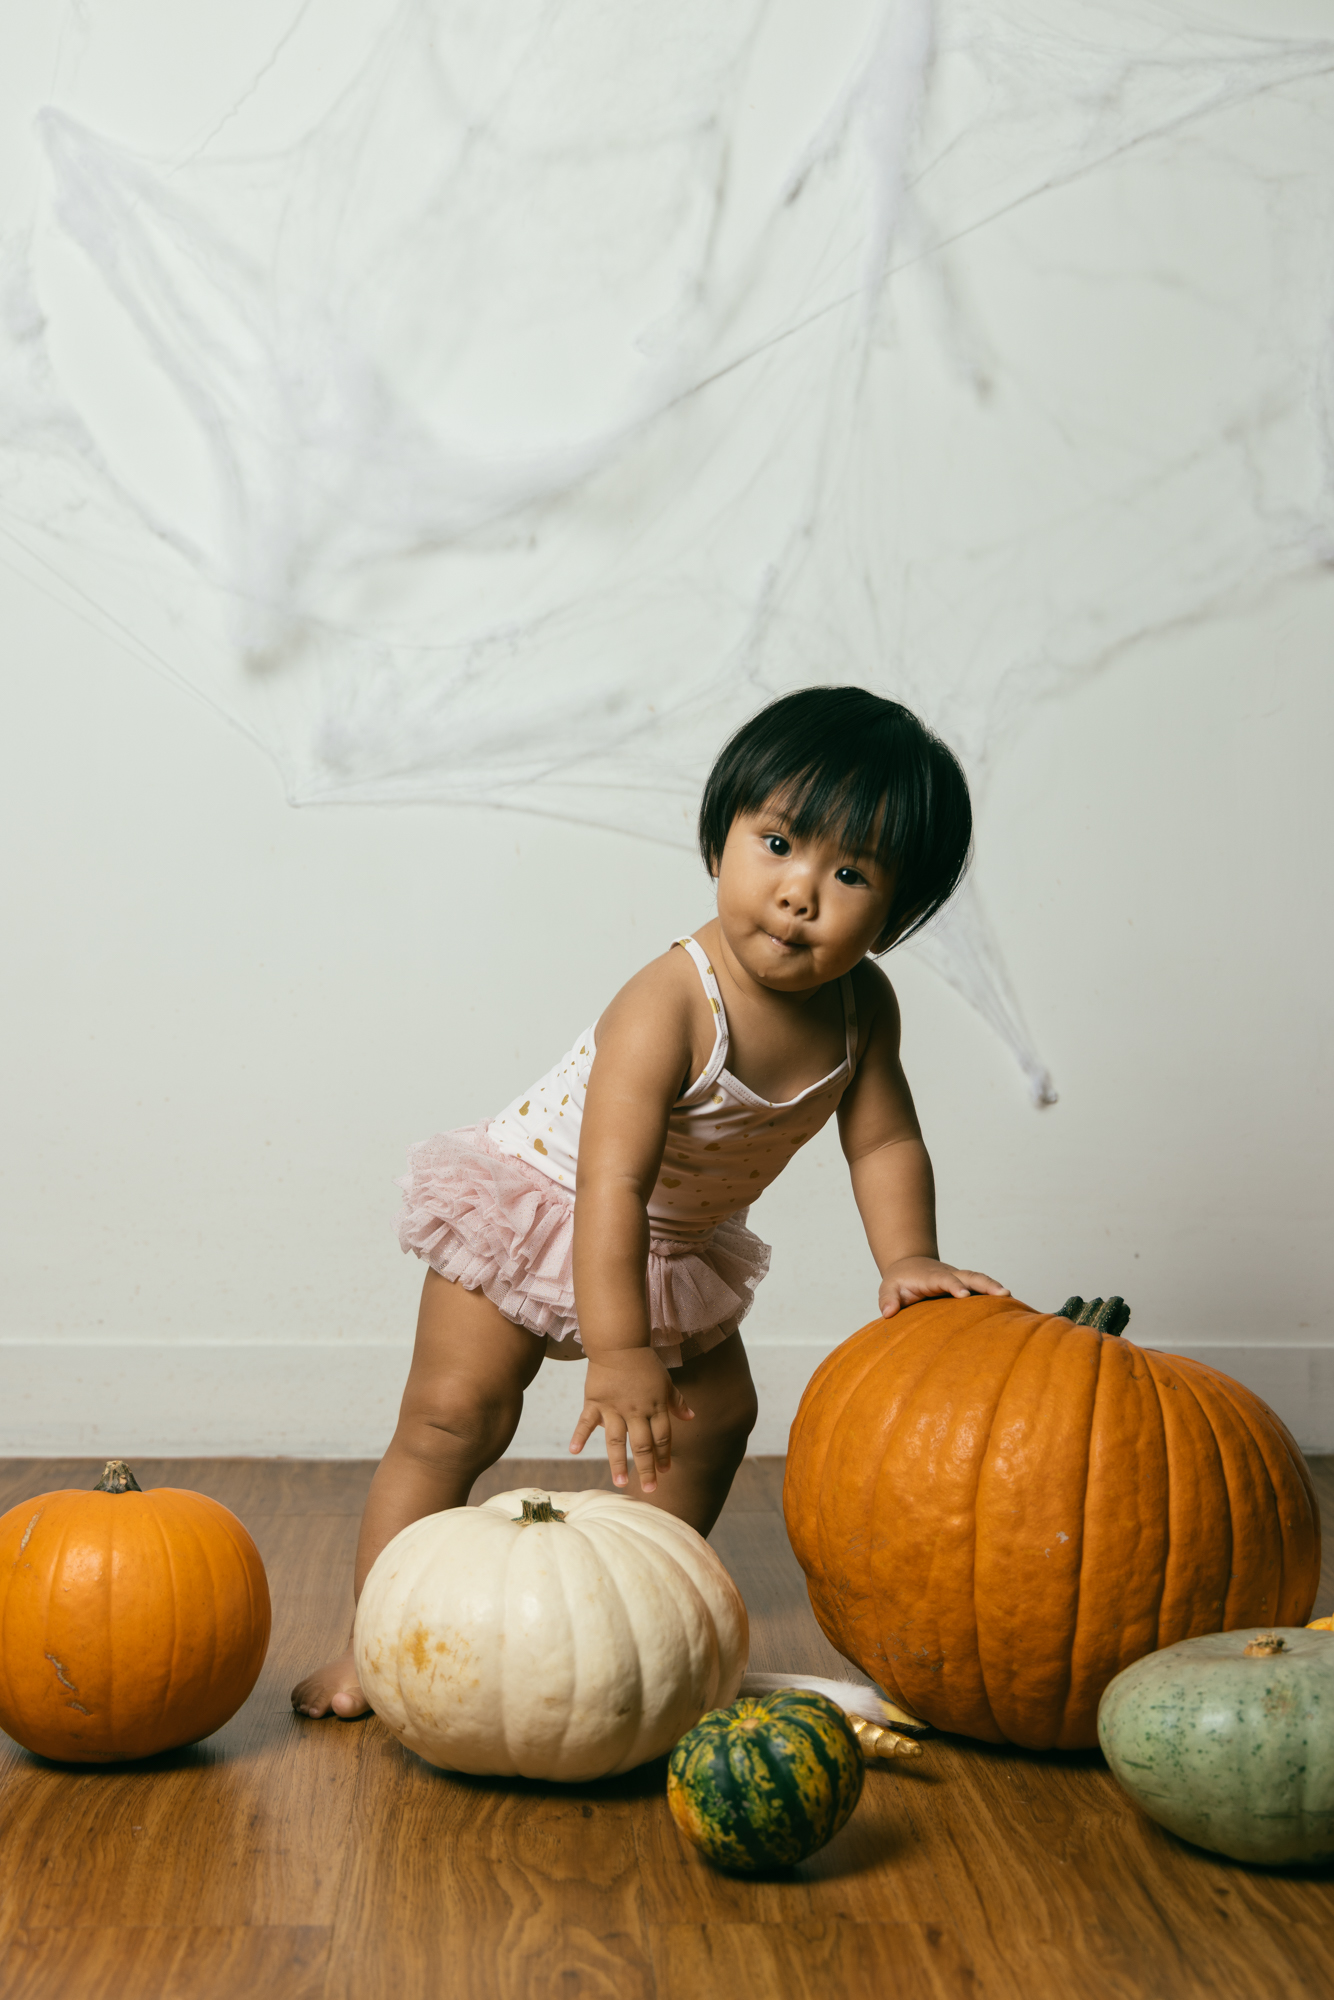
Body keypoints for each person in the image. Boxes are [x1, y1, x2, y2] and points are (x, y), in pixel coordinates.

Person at [292, 686, 1007, 1718]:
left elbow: (884, 1136)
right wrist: (620, 1348)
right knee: (454, 1414)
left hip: (676, 1239)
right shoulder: (670, 998)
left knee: (715, 1415)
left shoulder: (861, 1010)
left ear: (895, 917)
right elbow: (607, 1183)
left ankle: (632, 1615)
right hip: (543, 1203)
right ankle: (376, 1639)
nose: (798, 890)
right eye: (776, 841)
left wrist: (906, 1257)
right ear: (718, 841)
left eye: (848, 873)